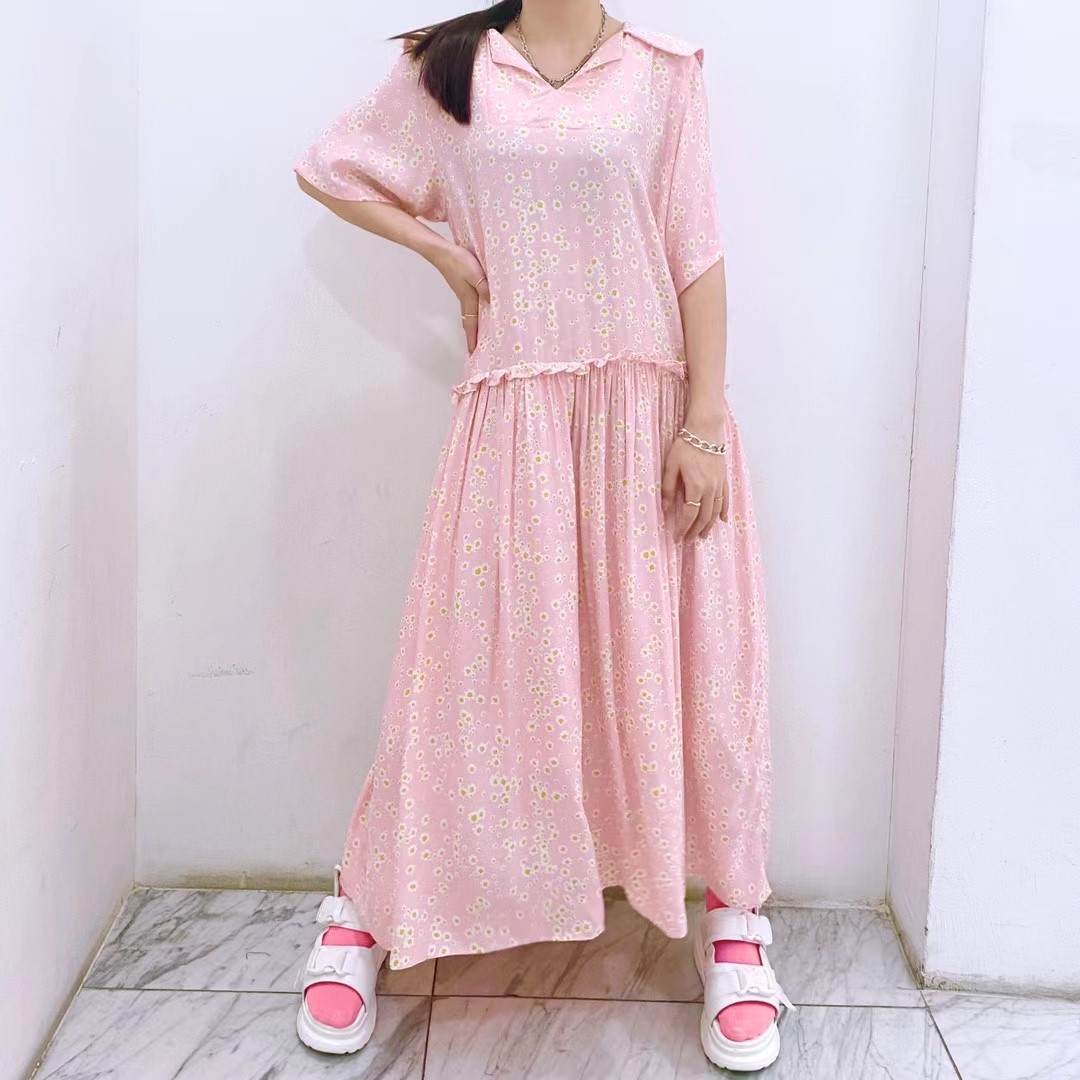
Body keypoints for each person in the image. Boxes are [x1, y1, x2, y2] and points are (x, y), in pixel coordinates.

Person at [292, 1, 792, 1070]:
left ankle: (735, 919)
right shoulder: (452, 68)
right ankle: (364, 906)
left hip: (650, 423)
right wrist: (437, 248)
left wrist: (704, 421)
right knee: (461, 681)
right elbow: (330, 166)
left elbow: (696, 251)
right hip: (517, 421)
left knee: (693, 678)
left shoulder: (663, 73)